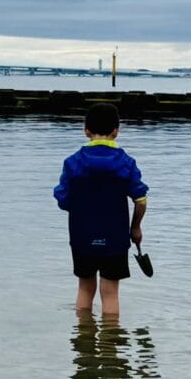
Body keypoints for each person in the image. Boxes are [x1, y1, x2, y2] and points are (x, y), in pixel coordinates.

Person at [55, 101, 148, 321]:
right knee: (110, 292)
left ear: (86, 130)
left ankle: (83, 336)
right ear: (116, 131)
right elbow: (141, 201)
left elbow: (63, 200)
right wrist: (135, 228)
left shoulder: (72, 163)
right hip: (115, 237)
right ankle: (111, 339)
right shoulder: (126, 163)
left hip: (81, 236)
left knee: (85, 287)